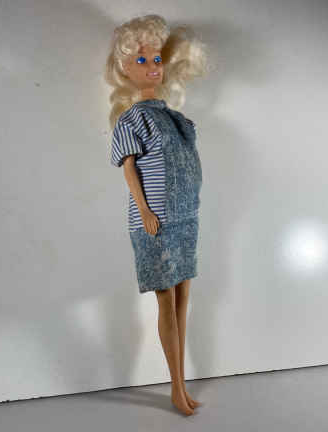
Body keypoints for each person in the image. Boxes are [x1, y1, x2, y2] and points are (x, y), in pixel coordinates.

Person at [104, 14, 208, 416]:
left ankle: (181, 385)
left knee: (183, 301)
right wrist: (145, 210)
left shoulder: (175, 118)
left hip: (184, 217)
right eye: (142, 60)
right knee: (167, 302)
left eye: (157, 59)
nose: (152, 67)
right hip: (157, 222)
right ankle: (176, 388)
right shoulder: (130, 119)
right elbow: (129, 169)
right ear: (125, 68)